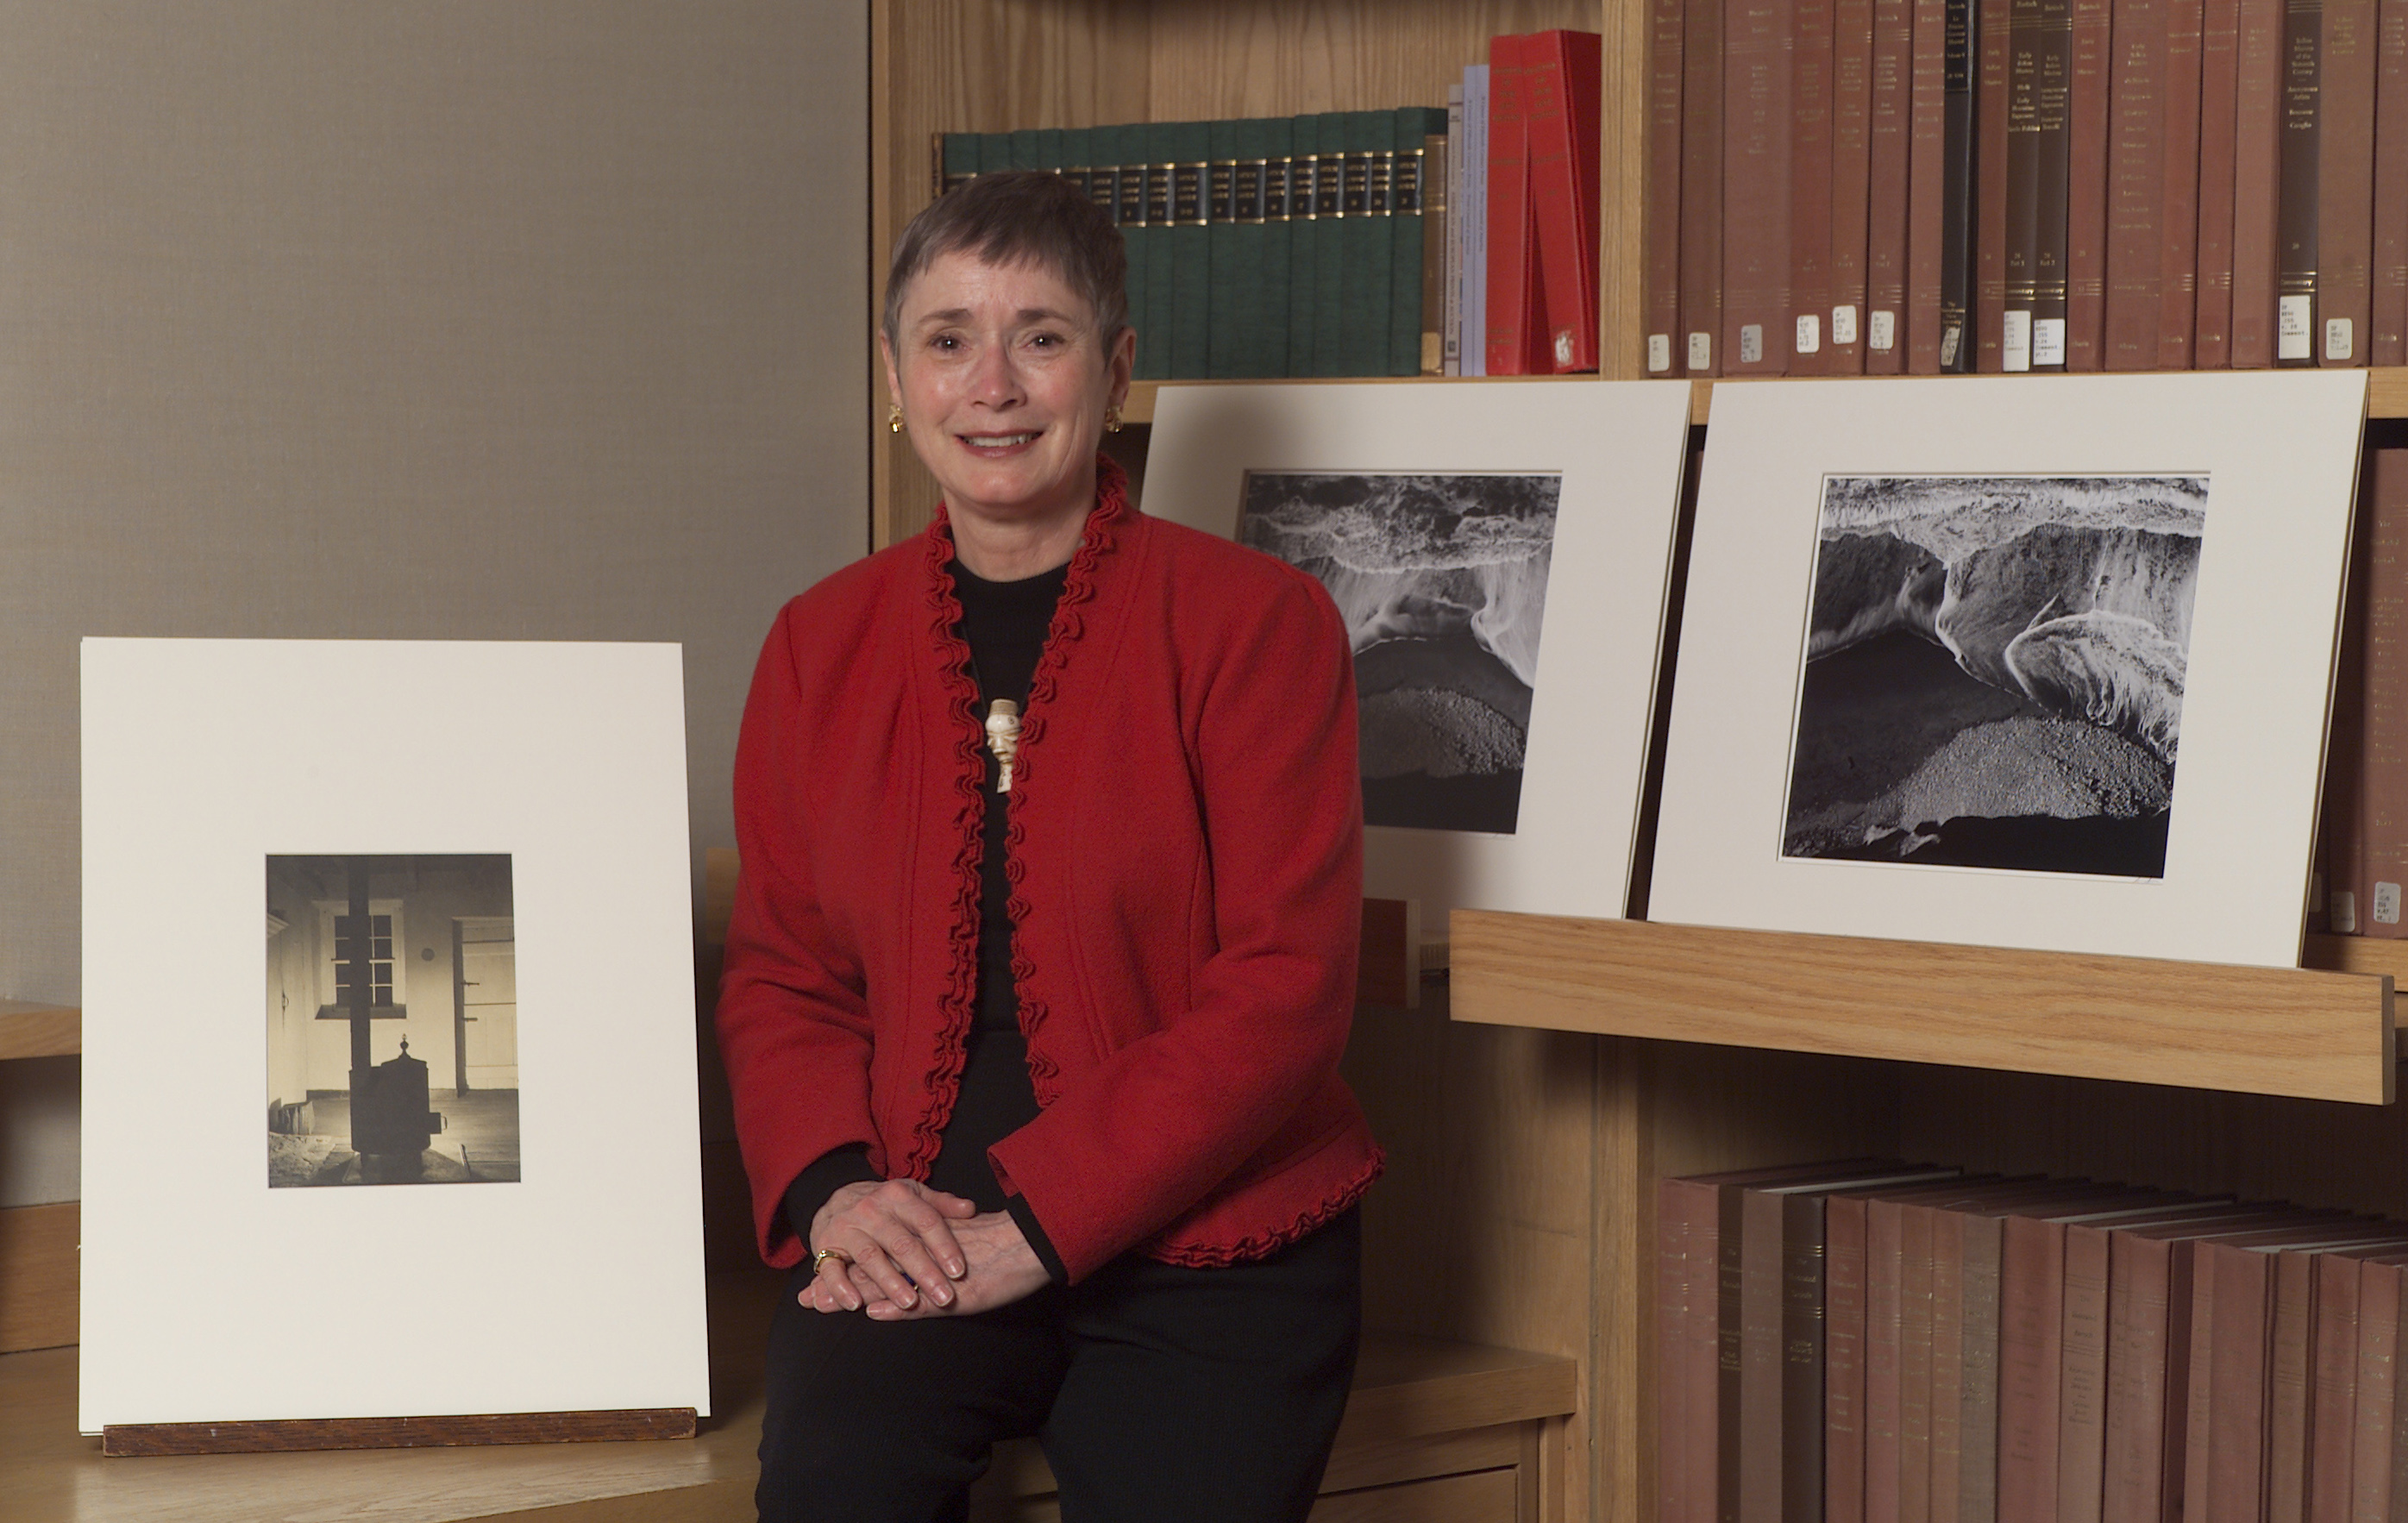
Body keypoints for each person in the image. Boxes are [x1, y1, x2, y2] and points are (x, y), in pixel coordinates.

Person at [716, 169, 1383, 1523]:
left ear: (1116, 370)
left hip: (1215, 1238)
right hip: (918, 1226)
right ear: (896, 379)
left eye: (1043, 335)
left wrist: (1038, 1228)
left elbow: (1284, 989)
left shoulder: (1261, 623)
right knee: (832, 1486)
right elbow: (785, 972)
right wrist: (842, 1194)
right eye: (949, 338)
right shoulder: (815, 643)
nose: (994, 383)